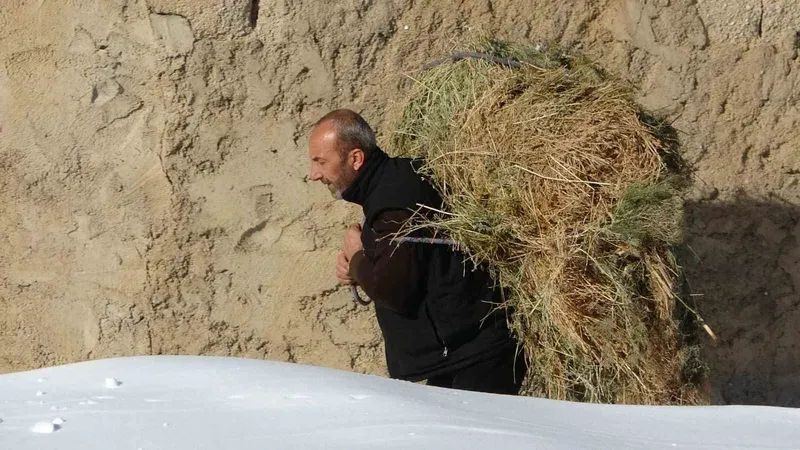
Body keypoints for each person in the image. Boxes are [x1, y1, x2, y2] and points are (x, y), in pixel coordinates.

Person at [307, 108, 526, 395]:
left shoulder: (393, 202)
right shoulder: (394, 183)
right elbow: (407, 264)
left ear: (356, 159)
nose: (314, 174)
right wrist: (359, 266)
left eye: (321, 161)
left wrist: (357, 255)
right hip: (463, 355)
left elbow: (394, 290)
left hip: (474, 356)